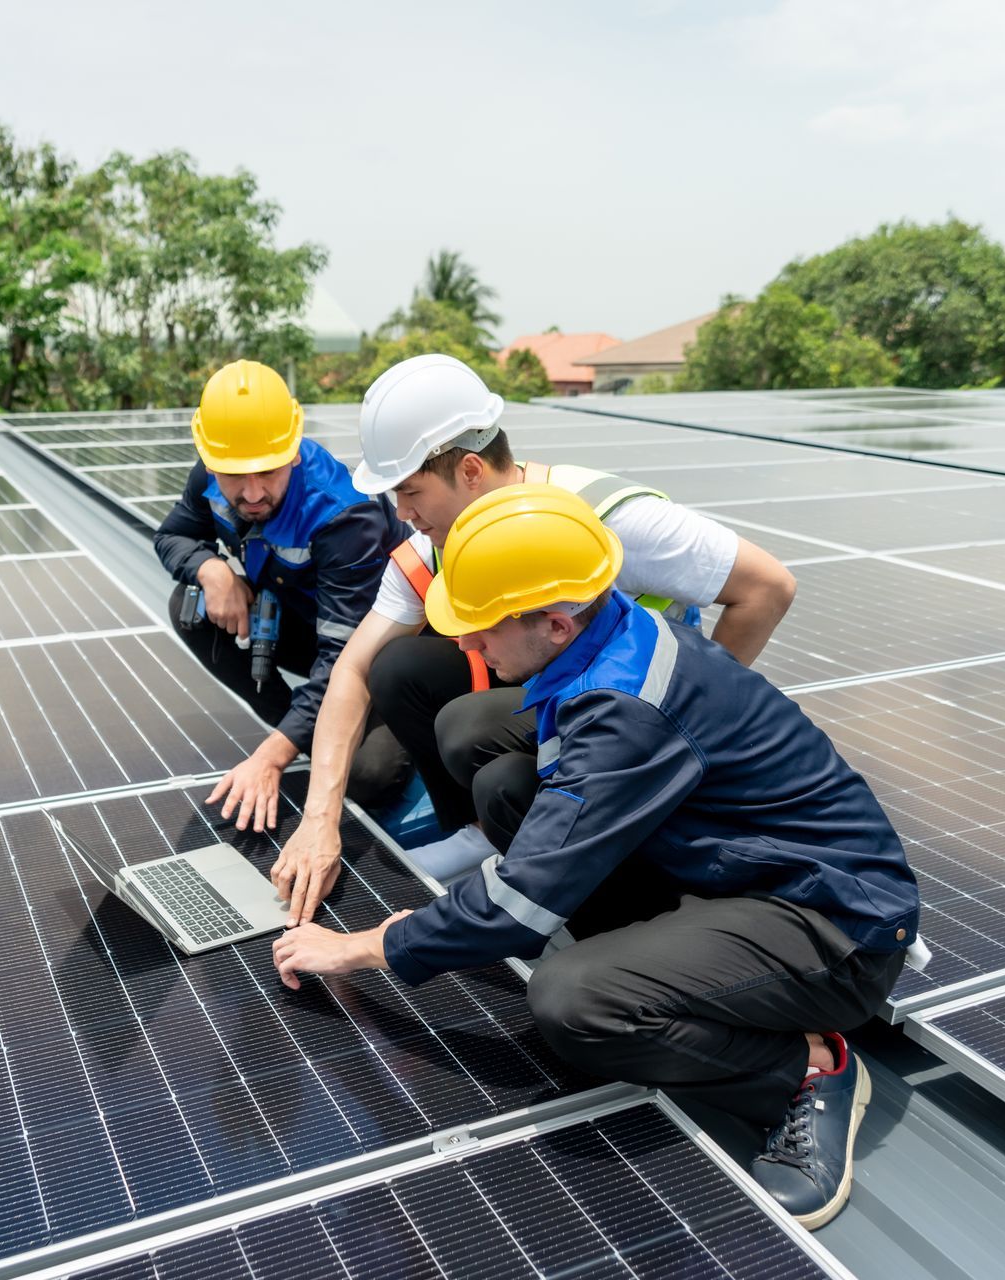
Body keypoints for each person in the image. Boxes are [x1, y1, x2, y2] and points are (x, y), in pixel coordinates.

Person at [271, 483, 920, 1230]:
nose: (464, 646)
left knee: (573, 1001)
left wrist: (362, 947)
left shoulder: (622, 708)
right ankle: (665, 969)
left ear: (552, 621)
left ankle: (805, 1073)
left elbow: (518, 906)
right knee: (511, 782)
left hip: (834, 929)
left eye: (480, 628)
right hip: (737, 870)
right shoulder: (606, 633)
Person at [272, 353, 797, 921]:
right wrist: (318, 821)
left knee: (490, 761)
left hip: (632, 709)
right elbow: (353, 668)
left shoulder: (604, 518)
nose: (402, 514)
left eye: (412, 492)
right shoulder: (435, 543)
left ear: (471, 471)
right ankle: (478, 832)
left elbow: (768, 588)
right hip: (554, 696)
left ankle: (596, 889)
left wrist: (687, 732)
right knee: (399, 668)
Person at [154, 359, 411, 829]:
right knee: (190, 607)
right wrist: (211, 569)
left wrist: (272, 758)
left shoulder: (343, 515)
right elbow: (171, 537)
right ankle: (293, 728)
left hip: (378, 653)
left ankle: (301, 739)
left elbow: (343, 657)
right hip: (305, 625)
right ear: (211, 461)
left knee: (369, 776)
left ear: (293, 453)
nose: (251, 492)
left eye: (268, 472)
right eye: (234, 475)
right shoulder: (211, 473)